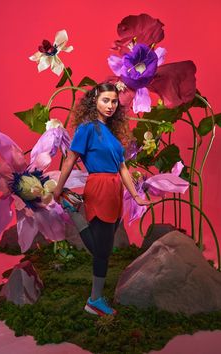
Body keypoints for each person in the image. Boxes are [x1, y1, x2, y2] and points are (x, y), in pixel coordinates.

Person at [54, 82, 151, 316]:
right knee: (101, 250)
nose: (110, 105)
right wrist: (58, 189)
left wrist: (136, 195)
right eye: (105, 100)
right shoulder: (87, 128)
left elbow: (123, 168)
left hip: (114, 189)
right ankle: (94, 300)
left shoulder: (111, 133)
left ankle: (95, 298)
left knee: (104, 247)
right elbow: (70, 159)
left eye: (114, 101)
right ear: (94, 101)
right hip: (99, 187)